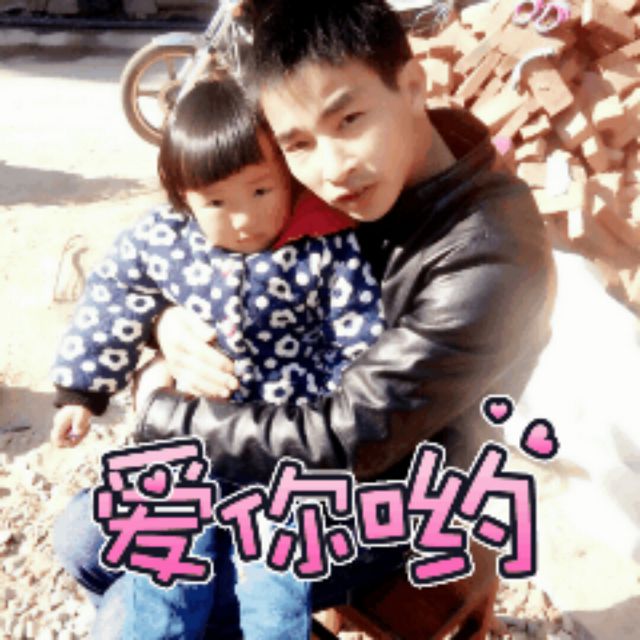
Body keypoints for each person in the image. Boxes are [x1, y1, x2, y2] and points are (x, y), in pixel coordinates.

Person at [56, 0, 556, 635]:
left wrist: (161, 410)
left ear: (412, 85)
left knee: (134, 605)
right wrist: (167, 324)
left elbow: (348, 439)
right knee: (80, 539)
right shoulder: (356, 184)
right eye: (298, 143)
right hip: (282, 444)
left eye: (348, 120)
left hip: (390, 495)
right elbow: (203, 252)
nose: (332, 167)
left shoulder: (489, 253)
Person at [51, 76, 385, 639]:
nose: (244, 218)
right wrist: (81, 391)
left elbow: (359, 341)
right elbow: (114, 297)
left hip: (281, 459)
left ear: (287, 175)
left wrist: (334, 441)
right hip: (183, 453)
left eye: (261, 191)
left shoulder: (325, 245)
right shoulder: (163, 241)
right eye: (216, 202)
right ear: (183, 198)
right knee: (162, 578)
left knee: (275, 595)